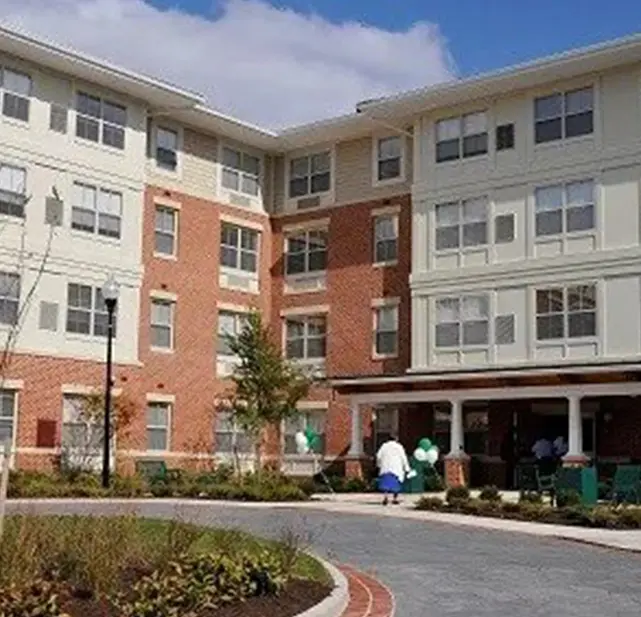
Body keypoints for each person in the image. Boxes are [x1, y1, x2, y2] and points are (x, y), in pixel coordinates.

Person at [376, 434, 411, 506]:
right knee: (396, 485)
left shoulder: (384, 446)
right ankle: (395, 499)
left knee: (386, 484)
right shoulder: (399, 447)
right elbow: (403, 457)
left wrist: (379, 464)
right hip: (396, 469)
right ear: (396, 439)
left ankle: (385, 497)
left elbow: (378, 456)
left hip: (385, 468)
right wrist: (407, 468)